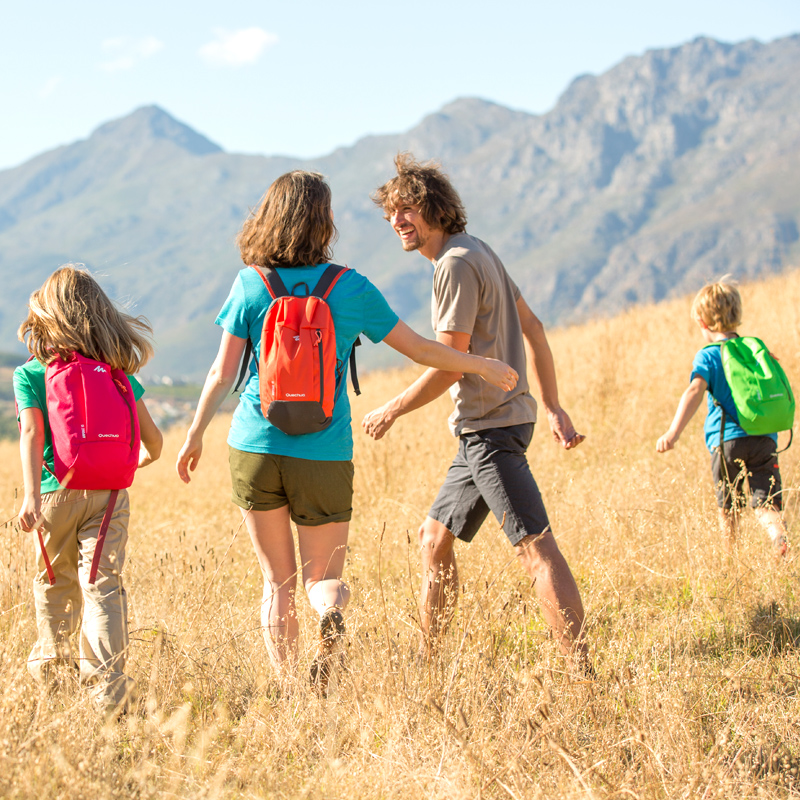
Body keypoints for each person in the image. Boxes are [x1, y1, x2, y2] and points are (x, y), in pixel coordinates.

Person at [175, 170, 518, 692]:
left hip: (253, 443)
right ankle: (329, 607)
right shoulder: (350, 288)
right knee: (320, 578)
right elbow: (422, 349)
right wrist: (481, 365)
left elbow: (222, 372)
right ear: (325, 222)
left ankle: (292, 693)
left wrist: (195, 432)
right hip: (324, 450)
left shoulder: (251, 282)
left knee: (276, 584)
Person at [364, 153, 588, 664]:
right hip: (487, 427)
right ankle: (432, 664)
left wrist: (393, 409)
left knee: (535, 549)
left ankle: (582, 672)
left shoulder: (456, 264)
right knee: (433, 538)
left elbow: (450, 363)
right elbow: (532, 327)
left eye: (407, 209)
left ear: (435, 209)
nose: (397, 221)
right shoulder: (478, 250)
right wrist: (550, 407)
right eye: (390, 214)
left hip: (491, 430)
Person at [14, 265, 163, 711]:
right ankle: (108, 693)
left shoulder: (32, 374)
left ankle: (54, 687)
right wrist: (132, 463)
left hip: (52, 492)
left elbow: (31, 435)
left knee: (55, 584)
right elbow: (153, 440)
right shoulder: (115, 373)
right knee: (102, 586)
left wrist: (30, 496)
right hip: (109, 494)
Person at [656, 278, 789, 555]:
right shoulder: (755, 349)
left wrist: (673, 433)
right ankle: (778, 536)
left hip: (727, 441)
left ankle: (730, 556)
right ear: (737, 315)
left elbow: (694, 390)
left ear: (703, 323)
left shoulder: (708, 356)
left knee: (728, 506)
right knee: (766, 501)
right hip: (764, 437)